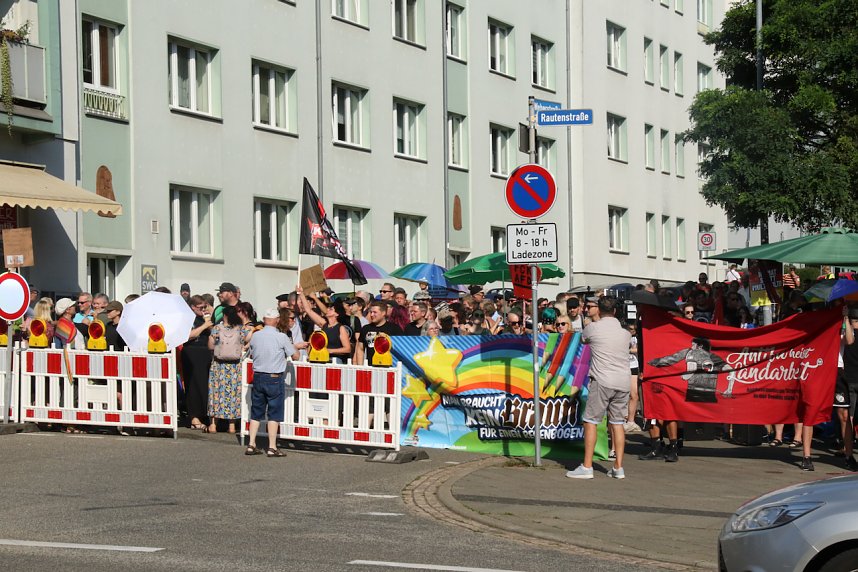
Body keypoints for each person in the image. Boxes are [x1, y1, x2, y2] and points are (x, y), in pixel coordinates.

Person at [566, 297, 632, 479]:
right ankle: (618, 467)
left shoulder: (592, 328)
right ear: (616, 312)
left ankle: (587, 466)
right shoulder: (625, 333)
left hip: (602, 380)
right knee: (618, 423)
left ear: (599, 311)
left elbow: (583, 340)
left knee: (591, 421)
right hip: (623, 381)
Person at [245, 308, 299, 457]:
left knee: (256, 412)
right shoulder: (281, 337)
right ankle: (272, 447)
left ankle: (251, 444)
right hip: (274, 377)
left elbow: (251, 352)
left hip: (258, 375)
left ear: (264, 319)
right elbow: (295, 356)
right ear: (276, 320)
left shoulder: (256, 336)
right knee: (274, 413)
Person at [206, 306, 252, 434]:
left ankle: (213, 425)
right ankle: (231, 426)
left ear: (224, 315)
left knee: (216, 393)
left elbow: (210, 346)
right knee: (233, 395)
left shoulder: (216, 329)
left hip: (218, 366)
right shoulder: (240, 329)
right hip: (234, 367)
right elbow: (250, 338)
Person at [296, 287, 352, 363]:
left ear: (337, 314)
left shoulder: (340, 328)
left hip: (335, 361)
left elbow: (347, 349)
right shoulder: (324, 324)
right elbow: (308, 310)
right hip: (322, 358)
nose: (327, 310)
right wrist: (301, 294)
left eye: (331, 309)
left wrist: (330, 351)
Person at [183, 295, 214, 430]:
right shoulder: (187, 319)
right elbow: (188, 335)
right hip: (191, 351)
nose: (203, 310)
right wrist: (204, 327)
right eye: (201, 308)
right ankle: (194, 417)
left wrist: (209, 326)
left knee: (204, 385)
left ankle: (205, 414)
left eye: (205, 307)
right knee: (193, 385)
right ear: (193, 307)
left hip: (205, 352)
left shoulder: (205, 318)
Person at [354, 301, 403, 365]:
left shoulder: (395, 329)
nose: (371, 315)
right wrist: (360, 367)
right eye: (371, 312)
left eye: (375, 312)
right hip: (371, 367)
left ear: (383, 313)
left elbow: (400, 349)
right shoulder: (365, 329)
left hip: (390, 367)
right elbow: (360, 349)